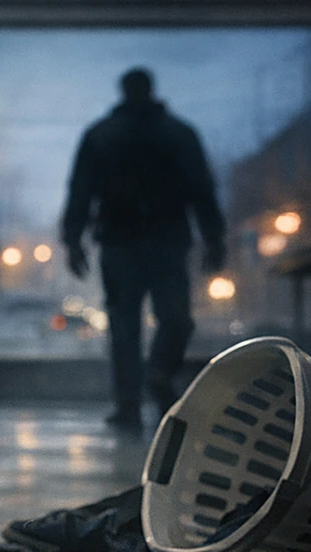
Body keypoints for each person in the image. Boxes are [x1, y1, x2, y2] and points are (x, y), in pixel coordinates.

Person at [60, 67, 226, 433]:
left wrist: (73, 240)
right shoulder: (177, 134)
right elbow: (202, 190)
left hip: (122, 242)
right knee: (173, 319)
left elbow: (80, 191)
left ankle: (130, 403)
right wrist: (213, 238)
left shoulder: (102, 136)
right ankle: (157, 376)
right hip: (165, 241)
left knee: (126, 326)